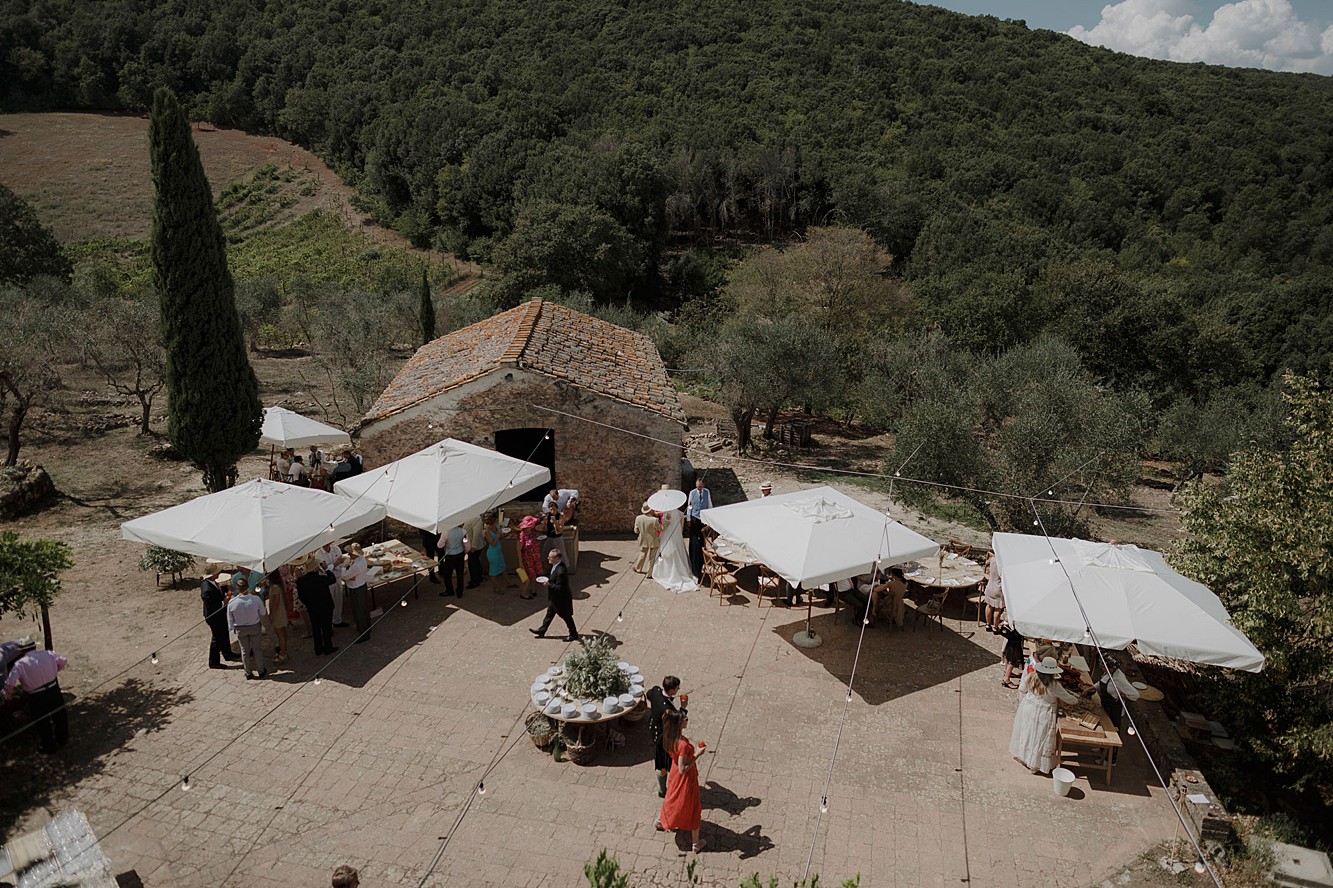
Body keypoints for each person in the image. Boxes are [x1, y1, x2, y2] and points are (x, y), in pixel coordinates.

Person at [1009, 656, 1081, 775]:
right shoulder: (1054, 685)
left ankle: (1024, 757)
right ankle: (1034, 764)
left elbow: (1022, 689)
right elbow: (1068, 699)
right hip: (1044, 712)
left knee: (1027, 733)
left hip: (1028, 707)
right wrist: (1078, 700)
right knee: (1039, 738)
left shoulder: (1031, 676)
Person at [2, 637, 69, 752]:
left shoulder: (20, 664)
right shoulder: (48, 654)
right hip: (53, 689)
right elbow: (63, 661)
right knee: (59, 715)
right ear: (34, 646)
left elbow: (10, 683)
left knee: (42, 722)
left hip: (36, 696)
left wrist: (8, 695)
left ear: (22, 651)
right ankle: (62, 739)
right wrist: (53, 671)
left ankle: (49, 746)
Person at [656, 709, 704, 852]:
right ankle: (696, 843)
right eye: (685, 719)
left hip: (674, 772)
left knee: (671, 798)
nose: (687, 719)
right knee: (693, 807)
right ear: (679, 724)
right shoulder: (682, 745)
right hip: (684, 777)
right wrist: (697, 754)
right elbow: (683, 768)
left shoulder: (669, 737)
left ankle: (662, 820)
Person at [528, 548, 579, 641]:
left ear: (557, 558)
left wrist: (548, 584)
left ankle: (573, 633)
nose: (548, 558)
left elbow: (560, 588)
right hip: (554, 598)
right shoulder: (556, 566)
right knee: (549, 615)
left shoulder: (561, 571)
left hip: (561, 599)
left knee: (566, 616)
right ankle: (542, 630)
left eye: (550, 557)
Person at [647, 676, 685, 797]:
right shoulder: (667, 710)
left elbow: (649, 695)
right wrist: (683, 706)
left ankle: (663, 789)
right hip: (663, 737)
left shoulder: (656, 690)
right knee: (663, 764)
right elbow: (678, 722)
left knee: (660, 761)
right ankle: (663, 790)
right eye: (677, 688)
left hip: (653, 728)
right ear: (672, 690)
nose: (678, 689)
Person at [227, 578, 269, 679]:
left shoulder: (232, 602)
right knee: (257, 649)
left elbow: (229, 618)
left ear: (238, 588)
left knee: (244, 650)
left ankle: (248, 672)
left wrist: (232, 629)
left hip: (240, 628)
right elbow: (263, 612)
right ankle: (261, 670)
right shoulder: (255, 599)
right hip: (254, 626)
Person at [202, 564, 242, 669]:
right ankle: (214, 662)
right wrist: (226, 598)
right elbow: (215, 605)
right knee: (217, 637)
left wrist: (226, 588)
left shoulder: (212, 583)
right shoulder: (207, 590)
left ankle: (227, 653)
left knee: (224, 633)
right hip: (214, 616)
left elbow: (217, 591)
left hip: (220, 614)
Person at [296, 556, 337, 655]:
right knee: (326, 628)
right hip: (325, 607)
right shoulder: (321, 579)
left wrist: (309, 604)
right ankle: (328, 647)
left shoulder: (301, 581)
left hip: (312, 608)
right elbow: (332, 579)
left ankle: (318, 648)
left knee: (316, 628)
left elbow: (301, 596)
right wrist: (326, 569)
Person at [652, 503, 698, 593]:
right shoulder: (680, 513)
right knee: (678, 552)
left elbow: (663, 527)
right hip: (677, 538)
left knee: (665, 553)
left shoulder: (666, 513)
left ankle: (666, 573)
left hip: (666, 536)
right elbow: (681, 528)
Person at [340, 543, 371, 642]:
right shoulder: (361, 560)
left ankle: (363, 633)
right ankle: (367, 626)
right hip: (360, 586)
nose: (349, 555)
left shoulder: (357, 565)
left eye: (350, 553)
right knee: (364, 608)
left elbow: (344, 576)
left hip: (356, 589)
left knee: (358, 611)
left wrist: (344, 567)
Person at [686, 478, 712, 578]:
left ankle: (702, 558)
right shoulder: (692, 493)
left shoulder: (707, 492)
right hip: (694, 517)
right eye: (698, 487)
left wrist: (710, 518)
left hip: (703, 518)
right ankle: (694, 561)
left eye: (700, 487)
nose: (699, 489)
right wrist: (688, 518)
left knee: (702, 539)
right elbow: (689, 506)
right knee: (694, 540)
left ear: (703, 486)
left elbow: (709, 504)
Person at [317, 542, 347, 626]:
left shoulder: (336, 548)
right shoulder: (318, 555)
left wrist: (332, 566)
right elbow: (323, 570)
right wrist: (335, 564)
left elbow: (341, 563)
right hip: (328, 581)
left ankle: (338, 620)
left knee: (339, 600)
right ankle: (329, 624)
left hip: (337, 578)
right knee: (330, 602)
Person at [265, 569, 290, 666]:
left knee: (280, 634)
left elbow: (276, 601)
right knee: (282, 632)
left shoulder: (275, 587)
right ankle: (283, 651)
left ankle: (282, 653)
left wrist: (271, 613)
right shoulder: (277, 586)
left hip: (278, 613)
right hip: (280, 611)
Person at [517, 515, 544, 599]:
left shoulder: (533, 532)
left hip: (535, 556)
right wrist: (520, 562)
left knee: (534, 574)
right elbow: (518, 550)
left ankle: (533, 590)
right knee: (528, 576)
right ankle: (524, 593)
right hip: (527, 558)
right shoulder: (522, 535)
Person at [440, 522, 466, 598]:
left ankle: (449, 590)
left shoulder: (446, 532)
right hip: (460, 554)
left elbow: (440, 545)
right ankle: (459, 592)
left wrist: (445, 544)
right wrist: (465, 551)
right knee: (460, 574)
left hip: (450, 555)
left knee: (447, 574)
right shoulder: (463, 531)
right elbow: (466, 542)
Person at [483, 513, 507, 594]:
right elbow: (492, 543)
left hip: (498, 552)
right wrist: (498, 535)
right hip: (493, 553)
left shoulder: (496, 528)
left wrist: (504, 534)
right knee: (493, 572)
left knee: (503, 567)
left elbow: (501, 537)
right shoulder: (487, 532)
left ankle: (508, 583)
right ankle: (496, 587)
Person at [633, 504, 660, 575]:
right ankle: (649, 573)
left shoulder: (638, 518)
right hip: (653, 540)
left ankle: (638, 568)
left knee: (642, 554)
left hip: (643, 540)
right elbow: (660, 528)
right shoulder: (654, 520)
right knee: (652, 557)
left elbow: (636, 531)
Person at [982, 552, 1005, 633]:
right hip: (998, 588)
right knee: (997, 609)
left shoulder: (992, 559)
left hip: (990, 586)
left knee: (989, 606)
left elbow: (986, 562)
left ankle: (988, 624)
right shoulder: (1003, 563)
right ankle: (995, 627)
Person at [998, 623, 1025, 688]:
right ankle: (1006, 679)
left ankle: (1007, 673)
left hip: (1011, 638)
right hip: (1014, 639)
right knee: (1012, 660)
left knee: (1008, 657)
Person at [464, 514, 487, 589]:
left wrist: (474, 546)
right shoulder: (472, 517)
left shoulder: (476, 518)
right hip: (472, 545)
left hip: (474, 546)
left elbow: (476, 533)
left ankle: (475, 581)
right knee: (475, 561)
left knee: (472, 563)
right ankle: (478, 577)